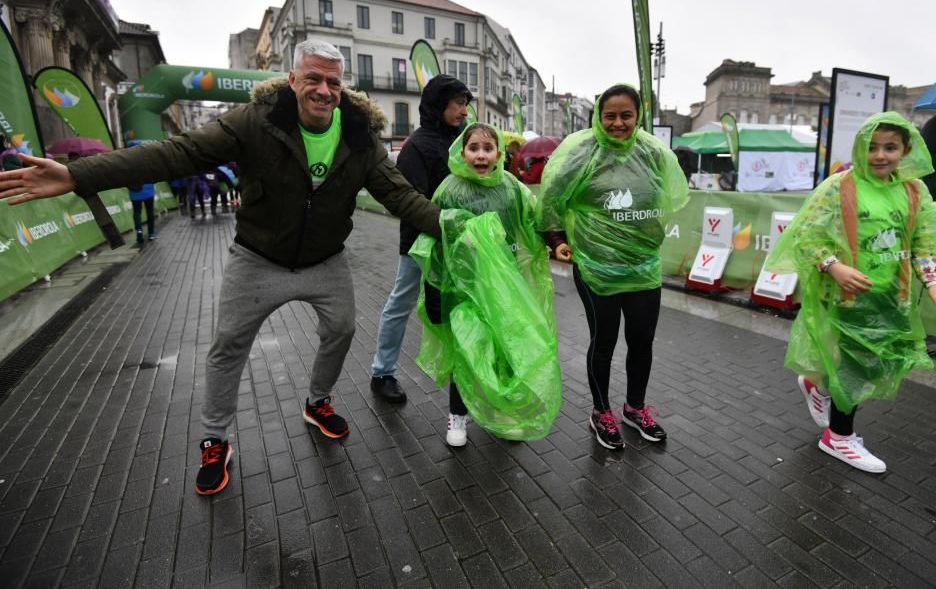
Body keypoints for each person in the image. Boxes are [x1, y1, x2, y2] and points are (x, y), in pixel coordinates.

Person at [0, 40, 441, 496]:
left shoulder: (359, 136)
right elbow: (175, 153)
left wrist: (451, 226)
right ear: (293, 80)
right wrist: (78, 175)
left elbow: (400, 195)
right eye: (313, 78)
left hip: (325, 260)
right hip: (257, 257)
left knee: (343, 328)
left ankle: (317, 402)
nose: (324, 90)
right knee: (228, 346)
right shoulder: (256, 122)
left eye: (333, 81)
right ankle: (215, 439)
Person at [766, 112, 936, 473]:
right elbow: (807, 235)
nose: (880, 155)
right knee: (857, 368)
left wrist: (934, 282)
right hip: (848, 296)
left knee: (874, 361)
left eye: (890, 147)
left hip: (893, 297)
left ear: (905, 149)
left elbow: (923, 239)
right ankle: (839, 437)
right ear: (860, 148)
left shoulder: (913, 189)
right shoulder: (839, 186)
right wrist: (835, 266)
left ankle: (818, 384)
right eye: (872, 147)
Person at [537, 84, 689, 450]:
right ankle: (600, 412)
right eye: (610, 116)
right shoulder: (582, 152)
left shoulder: (653, 152)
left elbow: (670, 196)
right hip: (596, 268)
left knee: (641, 342)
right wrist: (557, 241)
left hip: (643, 268)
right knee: (603, 343)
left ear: (638, 117)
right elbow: (551, 199)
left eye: (626, 115)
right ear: (599, 117)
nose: (618, 123)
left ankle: (634, 408)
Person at [410, 123, 560, 446]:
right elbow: (434, 241)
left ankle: (503, 414)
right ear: (461, 153)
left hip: (504, 290)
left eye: (487, 148)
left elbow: (533, 220)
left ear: (499, 153)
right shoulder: (449, 190)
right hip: (464, 289)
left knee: (505, 353)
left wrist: (555, 240)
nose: (480, 155)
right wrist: (435, 292)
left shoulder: (510, 187)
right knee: (467, 353)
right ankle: (458, 418)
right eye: (473, 148)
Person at [369, 74, 472, 403]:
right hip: (420, 244)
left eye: (466, 105)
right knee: (401, 302)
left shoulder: (461, 141)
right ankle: (382, 372)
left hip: (461, 243)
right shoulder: (416, 146)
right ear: (440, 104)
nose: (464, 112)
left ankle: (477, 373)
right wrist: (443, 227)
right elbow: (413, 201)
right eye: (458, 104)